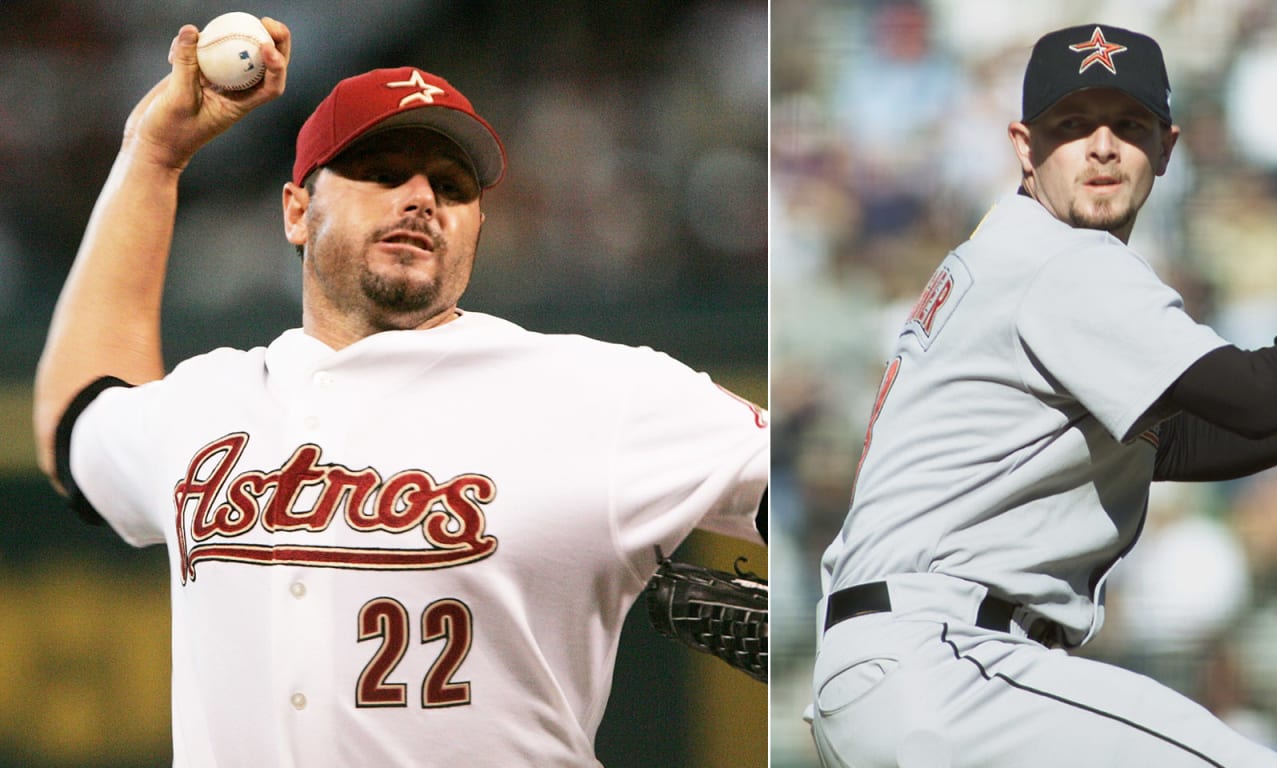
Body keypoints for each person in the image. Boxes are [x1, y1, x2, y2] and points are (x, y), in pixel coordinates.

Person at [31, 18, 768, 767]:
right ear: (296, 211)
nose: (420, 197)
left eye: (450, 186)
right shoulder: (210, 402)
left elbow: (829, 490)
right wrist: (153, 155)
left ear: (476, 229)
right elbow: (75, 423)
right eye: (383, 172)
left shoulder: (598, 393)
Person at [806, 23, 1277, 767]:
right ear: (1025, 147)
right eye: (1072, 124)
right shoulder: (1061, 261)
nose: (1101, 146)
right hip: (948, 666)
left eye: (1128, 125)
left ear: (1165, 148)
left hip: (897, 675)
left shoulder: (1007, 257)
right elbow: (1253, 395)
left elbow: (1176, 439)